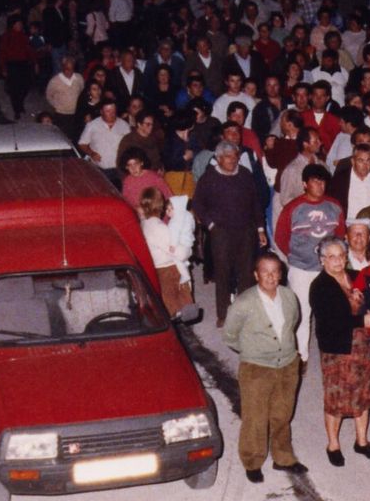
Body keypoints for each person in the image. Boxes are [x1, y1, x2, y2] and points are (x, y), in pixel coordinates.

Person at [222, 252, 306, 483]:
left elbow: (294, 322)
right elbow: (229, 336)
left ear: (281, 274)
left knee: (282, 414)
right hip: (256, 368)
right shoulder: (244, 303)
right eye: (265, 272)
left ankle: (283, 458)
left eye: (275, 271)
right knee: (255, 417)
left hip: (288, 364)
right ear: (256, 275)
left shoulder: (289, 296)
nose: (270, 276)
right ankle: (252, 461)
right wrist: (253, 351)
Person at [309, 238, 370, 467]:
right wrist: (362, 319)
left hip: (364, 346)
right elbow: (331, 320)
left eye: (341, 255)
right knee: (337, 399)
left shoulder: (356, 275)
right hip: (338, 349)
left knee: (364, 394)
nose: (338, 261)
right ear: (322, 260)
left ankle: (361, 441)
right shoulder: (320, 286)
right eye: (331, 257)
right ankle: (333, 444)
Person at [274, 163, 345, 361]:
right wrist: (296, 256)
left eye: (323, 181)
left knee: (330, 312)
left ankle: (332, 354)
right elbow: (281, 237)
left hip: (328, 270)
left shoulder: (334, 205)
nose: (320, 186)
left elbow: (339, 236)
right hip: (302, 268)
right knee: (302, 313)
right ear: (305, 184)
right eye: (315, 181)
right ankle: (301, 357)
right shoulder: (293, 208)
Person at [192, 141, 265, 326]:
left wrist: (260, 228)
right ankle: (223, 314)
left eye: (235, 156)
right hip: (221, 232)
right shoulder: (209, 178)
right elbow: (198, 204)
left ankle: (245, 313)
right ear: (218, 159)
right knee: (223, 272)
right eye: (227, 157)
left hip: (246, 230)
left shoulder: (245, 174)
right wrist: (211, 226)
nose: (233, 161)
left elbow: (255, 202)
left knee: (247, 273)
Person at [138, 188, 193, 315]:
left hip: (157, 266)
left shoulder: (145, 223)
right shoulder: (159, 227)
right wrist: (188, 251)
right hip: (168, 268)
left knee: (168, 298)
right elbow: (176, 252)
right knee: (177, 300)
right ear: (160, 206)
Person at [78, 98, 131, 184]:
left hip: (119, 170)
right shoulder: (92, 125)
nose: (112, 114)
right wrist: (91, 153)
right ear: (101, 112)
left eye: (114, 111)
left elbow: (130, 146)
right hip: (99, 169)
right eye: (108, 111)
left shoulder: (124, 126)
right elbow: (82, 143)